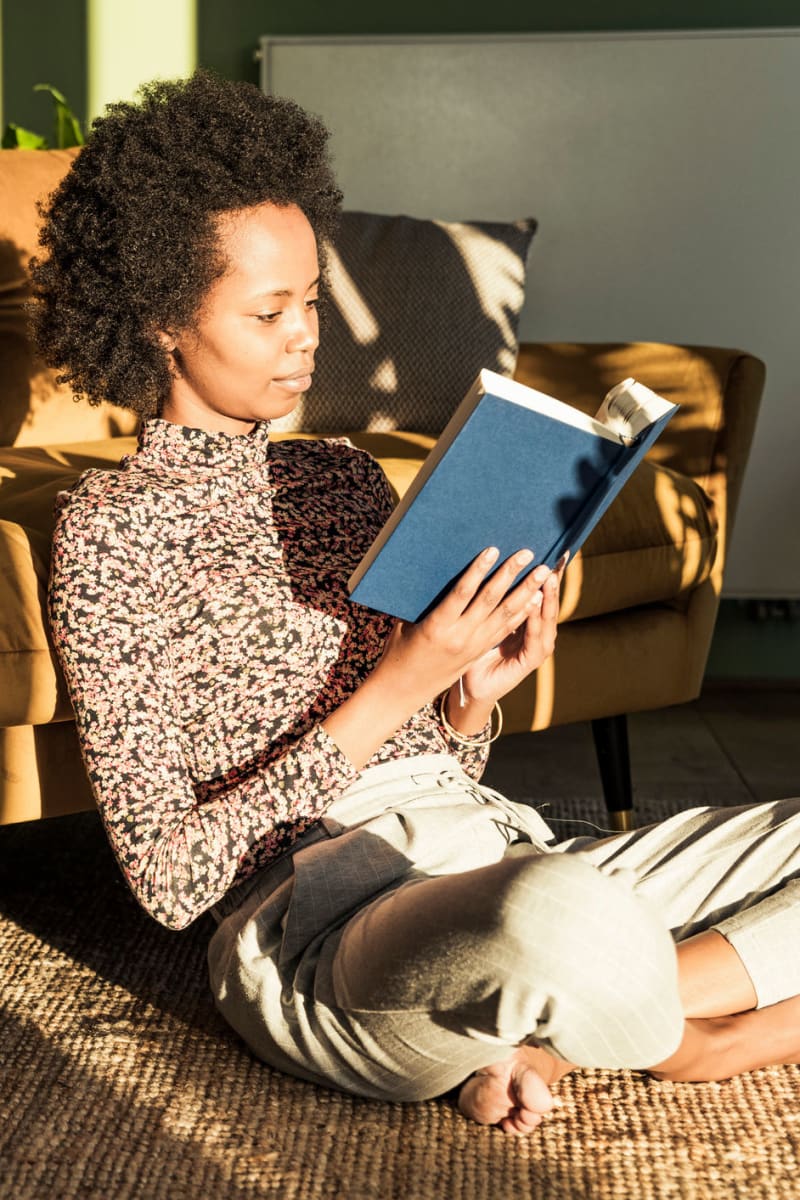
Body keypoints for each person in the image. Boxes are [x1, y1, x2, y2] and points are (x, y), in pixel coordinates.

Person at [34, 71, 800, 1137]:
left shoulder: (339, 479)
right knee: (561, 917)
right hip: (323, 920)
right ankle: (691, 1034)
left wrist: (464, 705)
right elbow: (170, 878)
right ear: (161, 318)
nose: (305, 334)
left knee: (575, 895)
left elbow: (440, 764)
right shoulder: (109, 533)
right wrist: (403, 681)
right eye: (268, 310)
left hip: (491, 851)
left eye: (310, 299)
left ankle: (546, 1027)